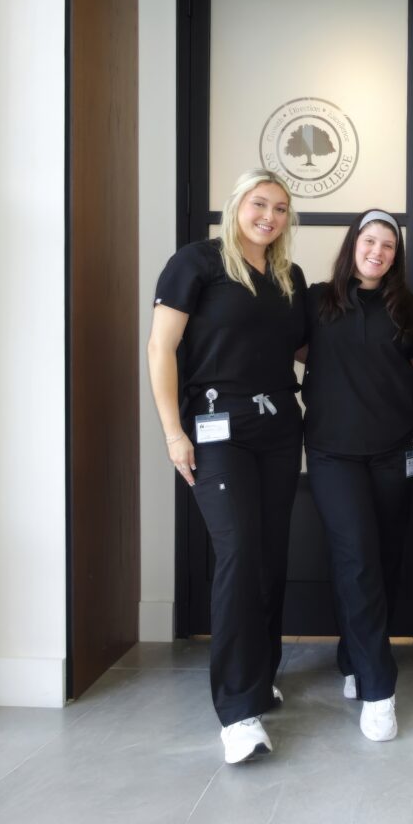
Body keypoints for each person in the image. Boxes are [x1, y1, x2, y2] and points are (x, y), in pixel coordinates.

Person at [146, 168, 306, 763]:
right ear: (237, 205)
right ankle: (238, 714)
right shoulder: (197, 263)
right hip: (216, 430)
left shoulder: (287, 277)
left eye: (281, 208)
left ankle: (261, 675)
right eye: (259, 204)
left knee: (268, 553)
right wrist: (172, 432)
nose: (269, 215)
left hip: (278, 429)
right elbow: (161, 347)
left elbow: (300, 348)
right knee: (238, 552)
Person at [300, 210, 413, 742]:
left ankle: (353, 656)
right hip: (333, 454)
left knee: (386, 558)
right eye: (369, 241)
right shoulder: (316, 300)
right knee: (356, 560)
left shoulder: (407, 308)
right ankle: (379, 689)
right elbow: (299, 351)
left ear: (396, 256)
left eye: (388, 246)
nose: (378, 251)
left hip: (394, 452)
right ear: (353, 245)